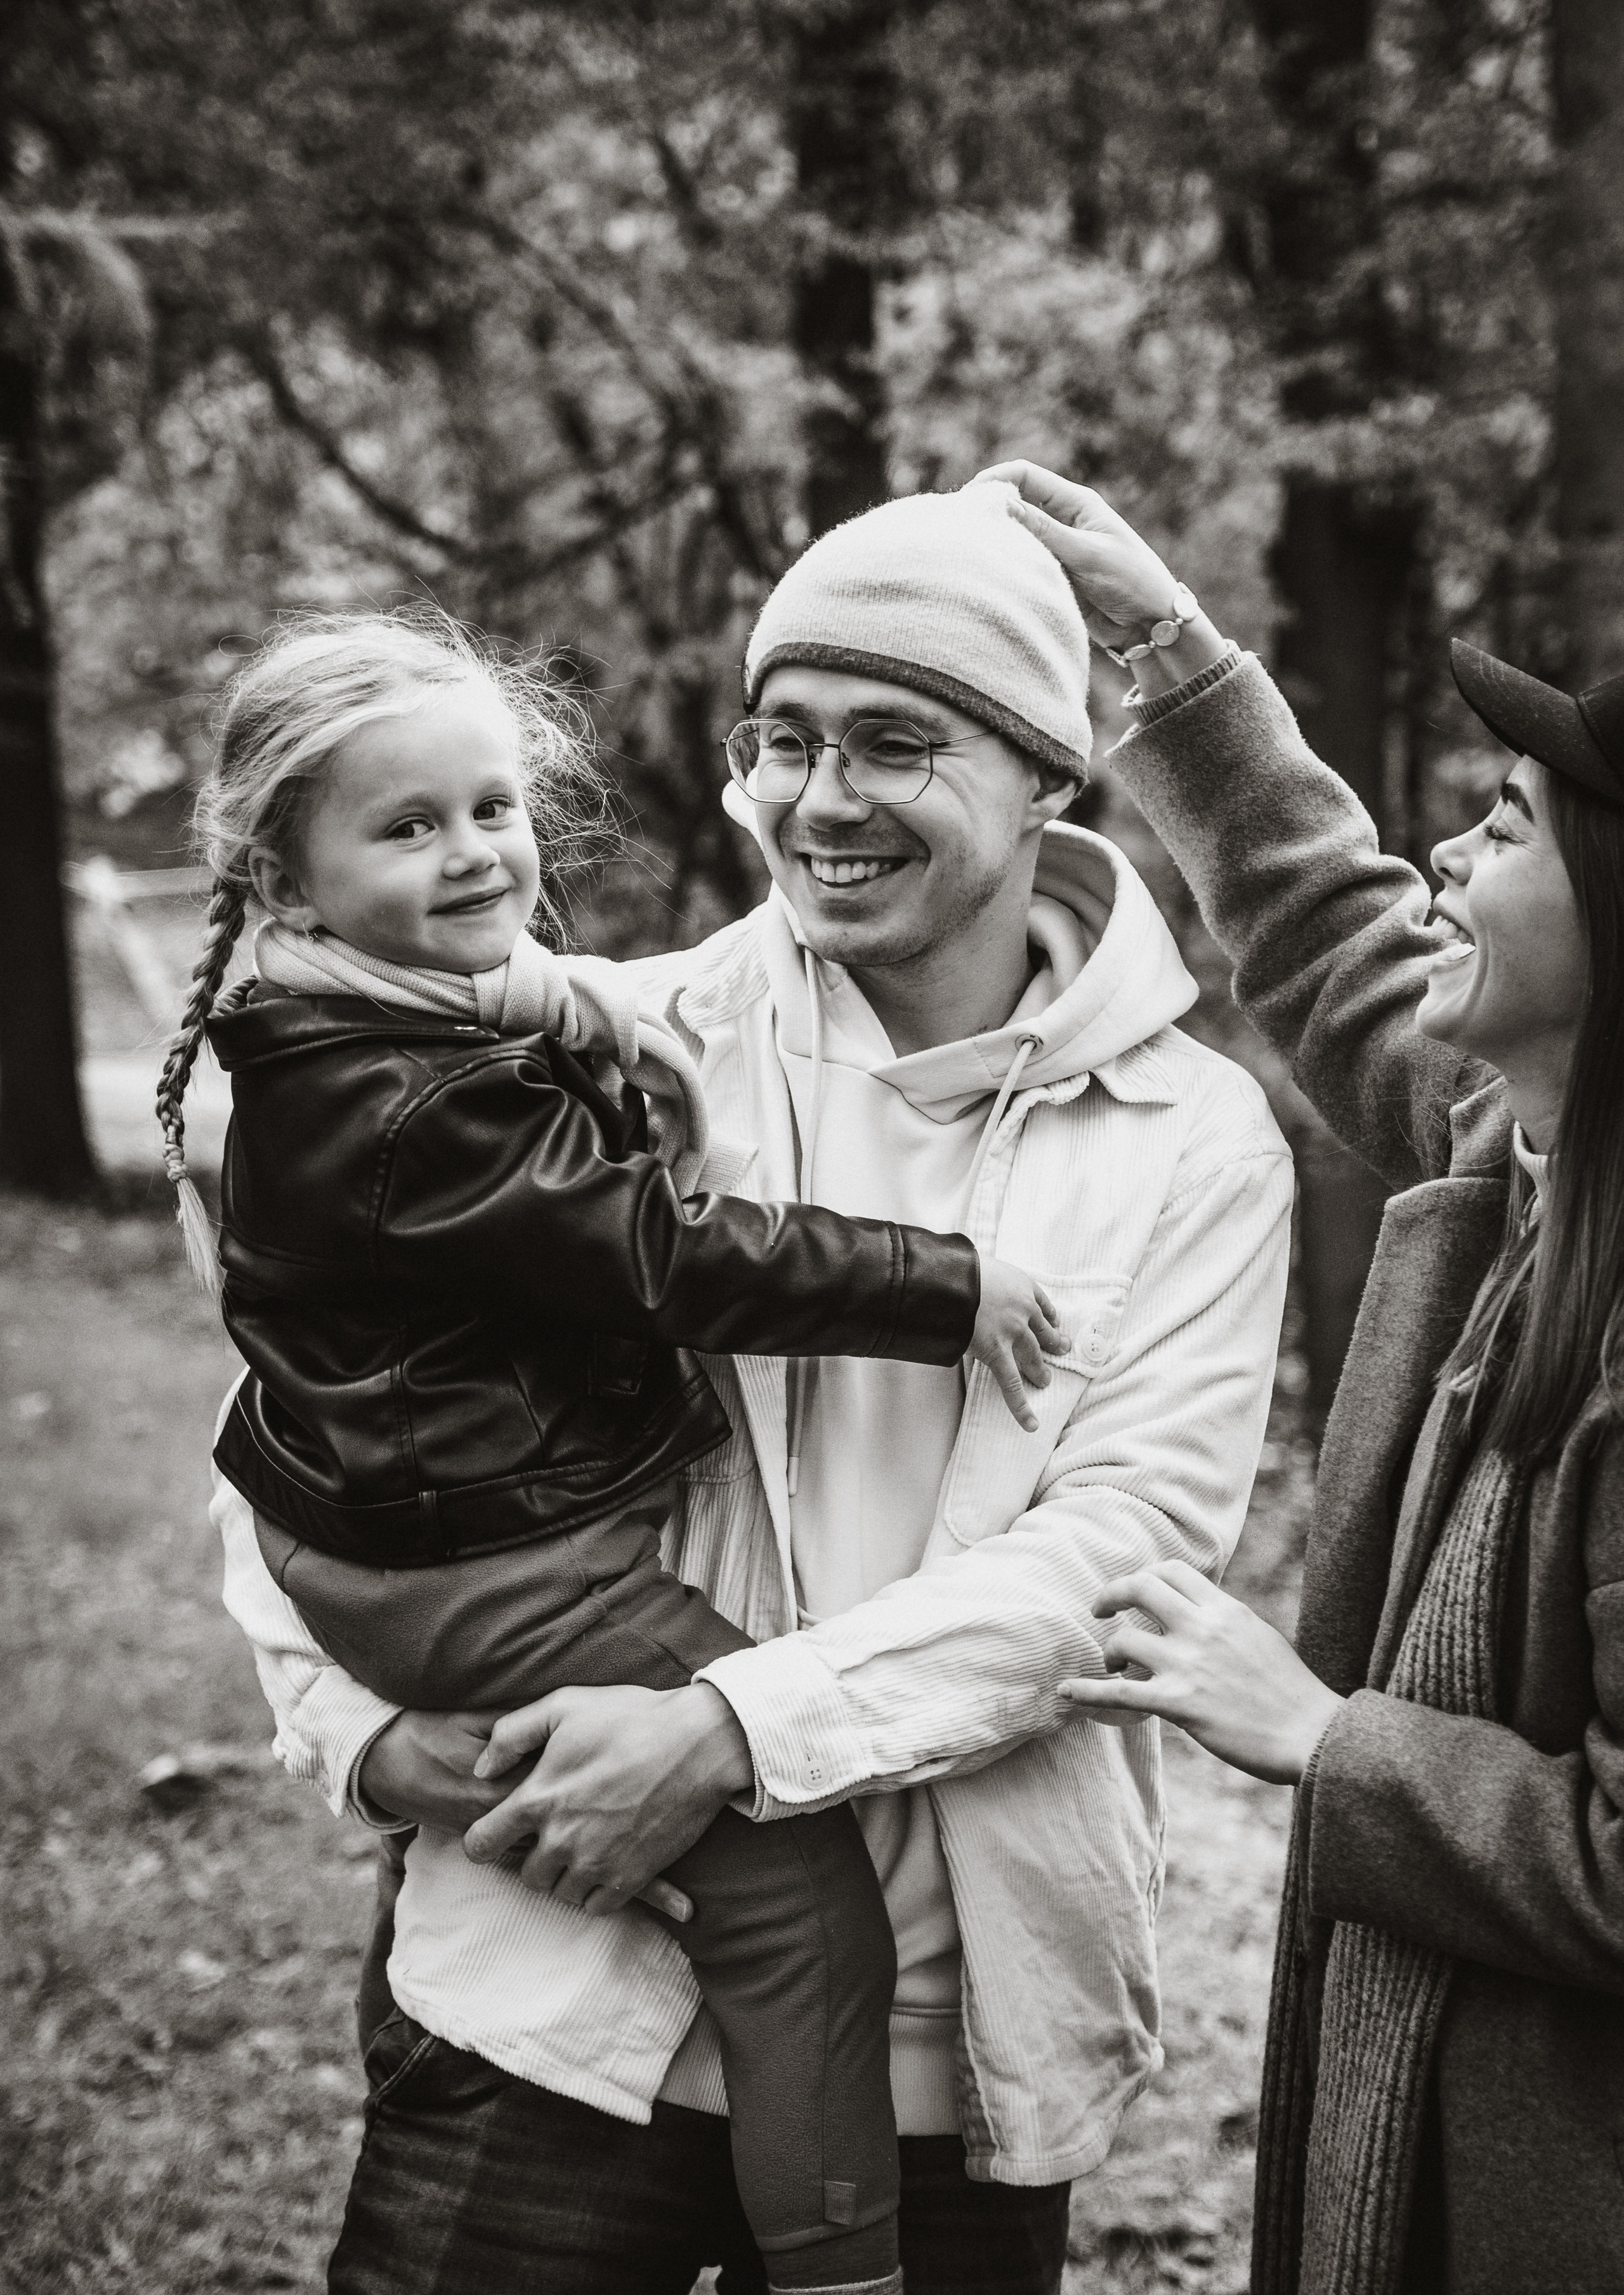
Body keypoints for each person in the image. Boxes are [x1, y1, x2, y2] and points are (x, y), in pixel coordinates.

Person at [214, 482, 1295, 2295]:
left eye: (894, 743)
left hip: (943, 2040)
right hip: (554, 1994)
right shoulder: (608, 1041)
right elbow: (311, 1401)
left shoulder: (1193, 1141)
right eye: (783, 739)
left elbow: (1121, 1556)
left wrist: (724, 1735)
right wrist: (360, 1736)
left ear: (1046, 775)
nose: (820, 798)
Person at [982, 461, 1624, 2295]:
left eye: (1505, 828)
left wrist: (1325, 1736)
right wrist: (1168, 656)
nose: (1450, 861)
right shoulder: (1535, 1156)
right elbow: (1333, 933)